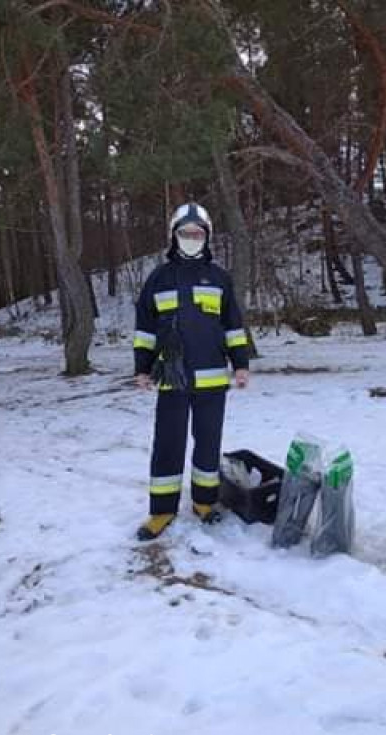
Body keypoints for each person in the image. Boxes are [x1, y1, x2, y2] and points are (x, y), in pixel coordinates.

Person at [133, 202, 250, 540]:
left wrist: (240, 365)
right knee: (168, 443)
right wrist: (142, 368)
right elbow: (145, 329)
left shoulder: (218, 278)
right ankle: (161, 511)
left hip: (213, 379)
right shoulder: (159, 279)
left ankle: (204, 502)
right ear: (174, 236)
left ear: (207, 237)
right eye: (185, 233)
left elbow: (233, 326)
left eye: (198, 233)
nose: (191, 238)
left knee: (208, 443)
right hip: (172, 378)